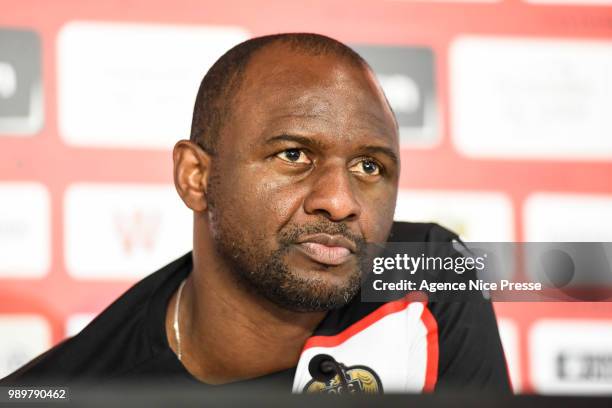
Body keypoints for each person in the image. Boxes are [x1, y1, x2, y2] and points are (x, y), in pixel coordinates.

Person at [1, 33, 511, 394]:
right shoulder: (68, 389)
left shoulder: (431, 276)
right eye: (293, 155)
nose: (340, 201)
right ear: (195, 177)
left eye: (368, 166)